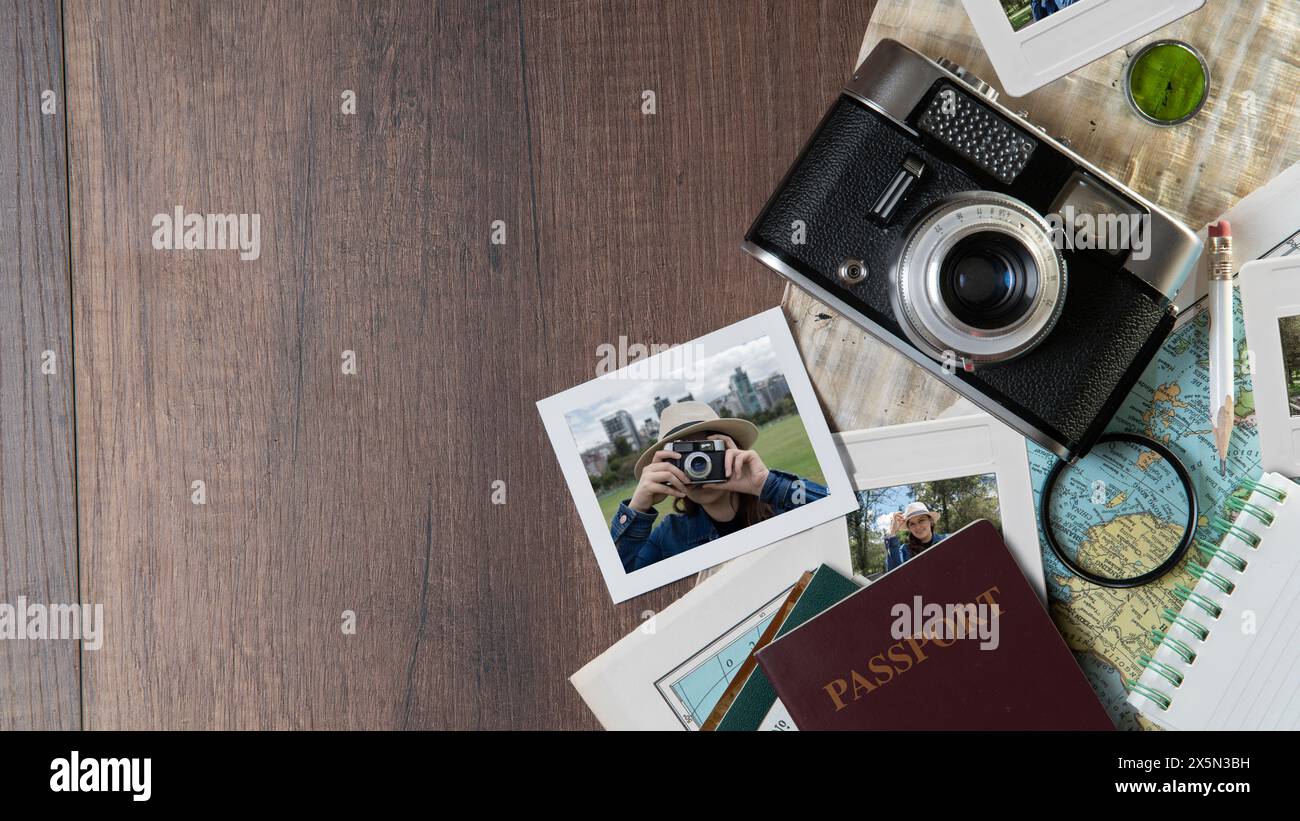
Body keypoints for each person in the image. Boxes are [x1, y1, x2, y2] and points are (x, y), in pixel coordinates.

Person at [611, 401, 827, 572]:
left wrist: (766, 485)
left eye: (706, 453)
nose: (697, 465)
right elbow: (624, 582)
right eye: (684, 458)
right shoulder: (669, 536)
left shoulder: (780, 499)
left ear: (732, 450)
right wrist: (637, 510)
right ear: (666, 468)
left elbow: (843, 509)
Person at [883, 501, 948, 572]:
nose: (917, 527)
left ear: (931, 521)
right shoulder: (904, 551)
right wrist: (893, 533)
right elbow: (893, 575)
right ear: (909, 529)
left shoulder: (948, 540)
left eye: (921, 520)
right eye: (912, 524)